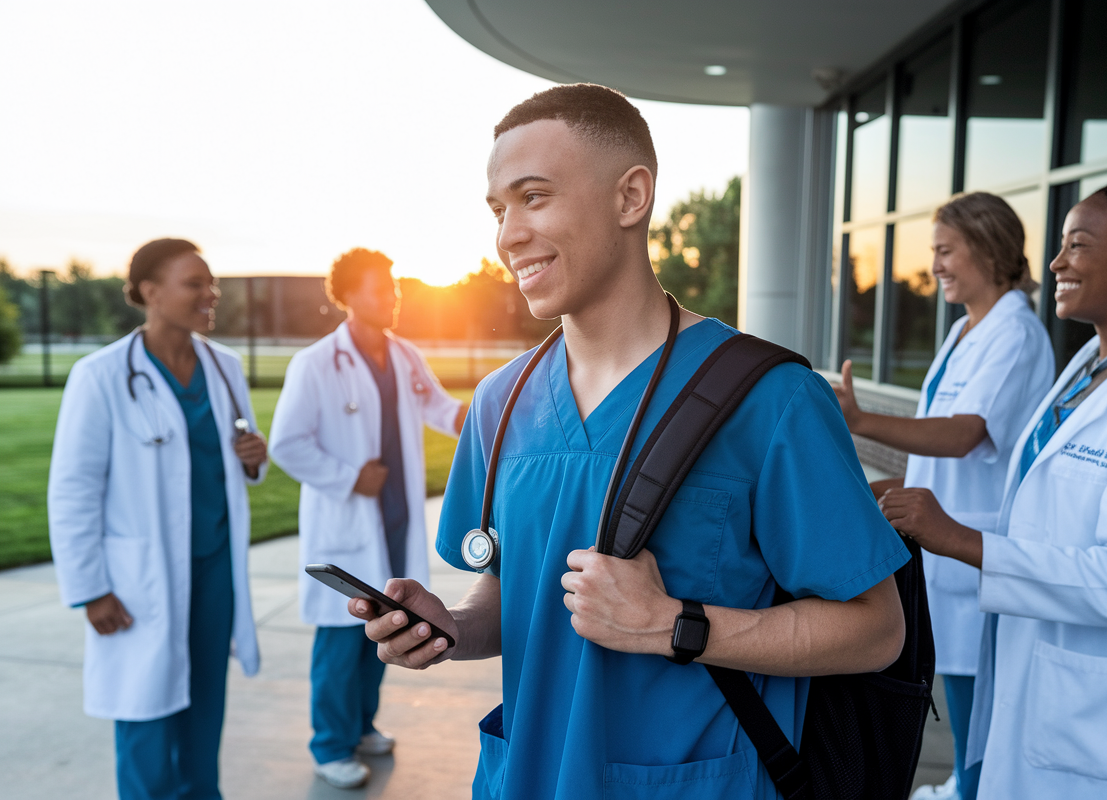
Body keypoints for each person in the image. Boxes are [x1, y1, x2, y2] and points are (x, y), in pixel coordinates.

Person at [349, 83, 909, 800]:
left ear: (630, 197)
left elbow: (874, 631)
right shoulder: (501, 402)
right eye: (498, 209)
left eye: (534, 196)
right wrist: (451, 628)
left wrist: (673, 625)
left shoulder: (770, 400)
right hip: (527, 778)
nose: (507, 234)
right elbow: (511, 596)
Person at [880, 174, 1107, 800]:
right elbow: (1043, 520)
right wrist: (923, 506)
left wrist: (960, 539)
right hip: (1041, 682)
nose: (1055, 263)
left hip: (1104, 724)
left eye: (1077, 244)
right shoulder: (1088, 369)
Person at [833, 192, 1053, 800]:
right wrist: (895, 488)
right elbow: (941, 449)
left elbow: (964, 433)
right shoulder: (965, 329)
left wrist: (861, 420)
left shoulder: (1018, 332)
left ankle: (972, 790)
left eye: (945, 250)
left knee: (980, 711)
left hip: (976, 548)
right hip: (946, 551)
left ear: (987, 248)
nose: (935, 265)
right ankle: (965, 786)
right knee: (962, 705)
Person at [48, 238, 268, 800]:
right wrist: (90, 588)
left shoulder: (224, 367)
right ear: (150, 292)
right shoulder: (100, 376)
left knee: (204, 705)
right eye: (195, 283)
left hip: (214, 566)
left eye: (210, 282)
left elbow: (235, 453)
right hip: (136, 576)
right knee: (145, 711)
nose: (210, 293)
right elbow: (72, 490)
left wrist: (253, 459)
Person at [268, 247, 466, 789]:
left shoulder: (402, 355)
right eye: (382, 289)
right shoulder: (314, 363)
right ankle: (329, 745)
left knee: (384, 628)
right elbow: (286, 443)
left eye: (395, 287)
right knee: (339, 642)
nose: (393, 297)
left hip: (394, 520)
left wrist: (482, 413)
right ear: (349, 296)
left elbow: (439, 409)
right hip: (349, 521)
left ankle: (361, 726)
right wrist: (349, 475)